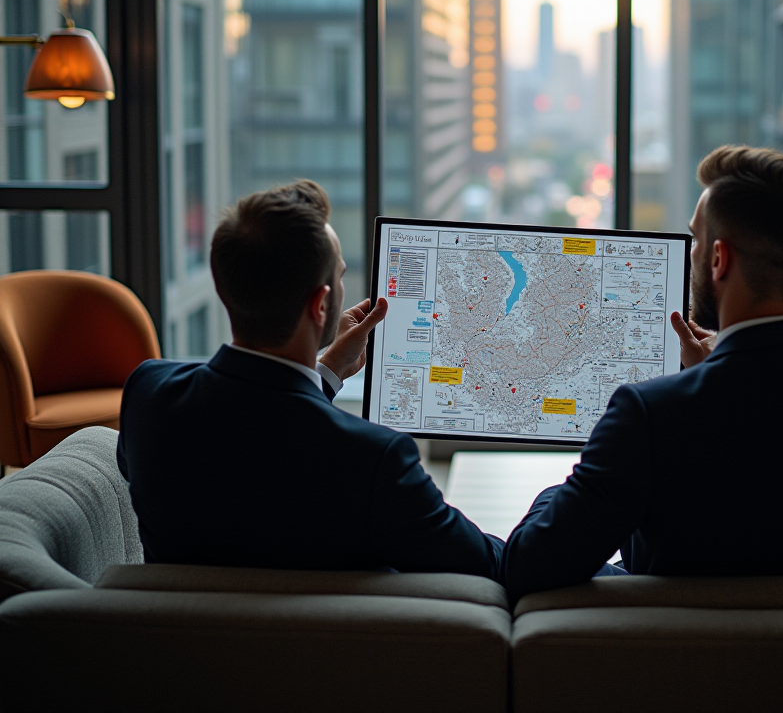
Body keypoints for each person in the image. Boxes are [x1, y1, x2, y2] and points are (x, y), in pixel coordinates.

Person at [501, 145, 783, 606]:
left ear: (719, 259)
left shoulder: (649, 415)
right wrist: (714, 379)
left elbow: (528, 565)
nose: (692, 252)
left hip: (683, 666)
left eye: (695, 240)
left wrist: (567, 488)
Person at [117, 180, 502, 579]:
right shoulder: (374, 460)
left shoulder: (148, 395)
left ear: (223, 284)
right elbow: (483, 562)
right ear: (321, 304)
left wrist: (328, 372)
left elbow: (248, 440)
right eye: (339, 276)